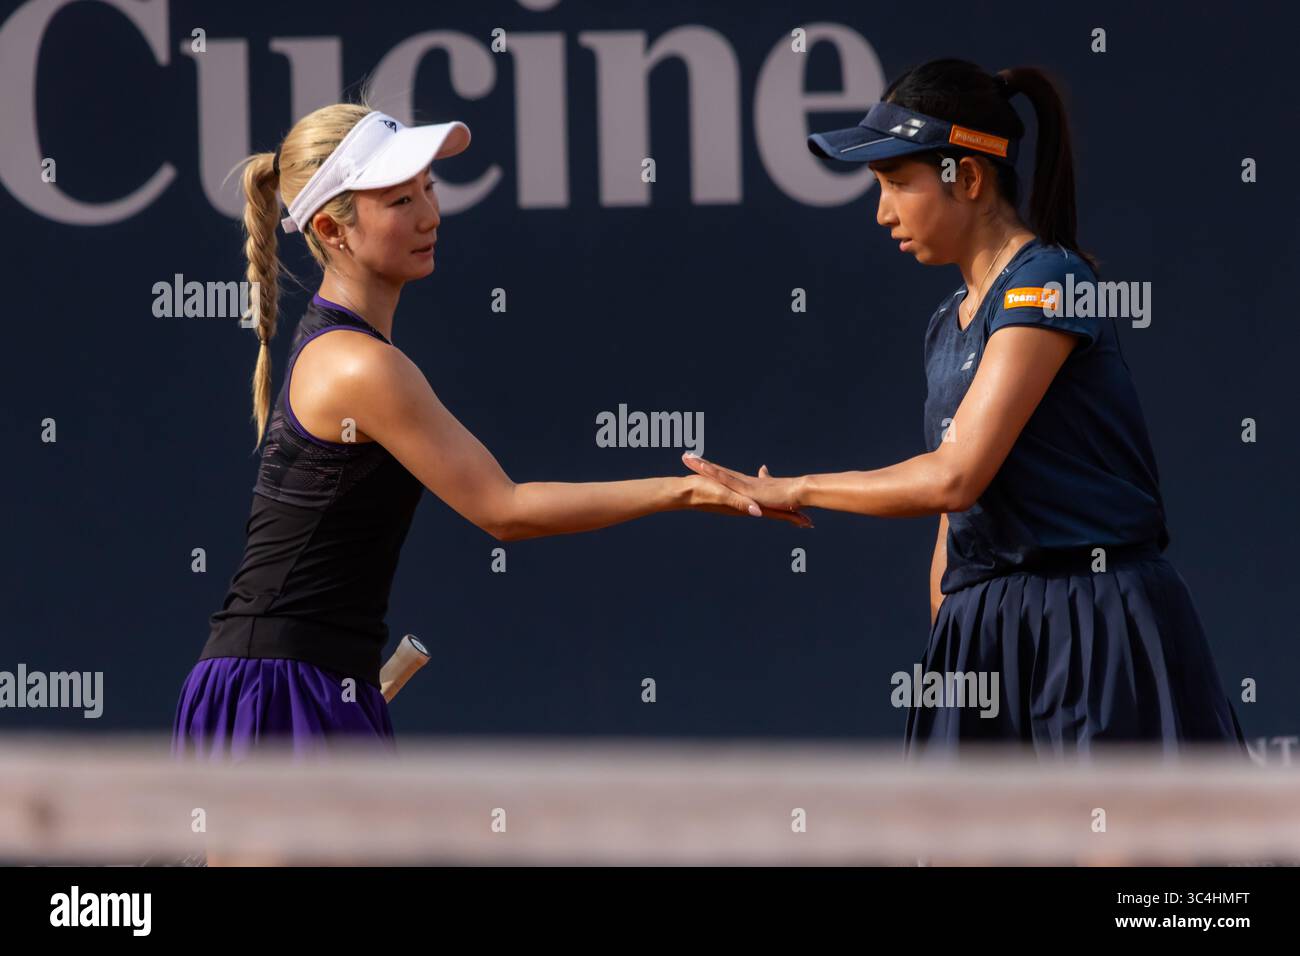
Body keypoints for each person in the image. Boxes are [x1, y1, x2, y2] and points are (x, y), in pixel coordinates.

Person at [172, 99, 811, 763]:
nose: (429, 215)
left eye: (429, 189)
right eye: (397, 201)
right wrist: (690, 492)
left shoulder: (347, 349)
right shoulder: (360, 365)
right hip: (278, 693)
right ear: (334, 229)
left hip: (310, 683)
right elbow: (504, 510)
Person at [683, 59, 1246, 757]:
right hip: (982, 631)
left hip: (1094, 623)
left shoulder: (1052, 283)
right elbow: (958, 522)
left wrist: (796, 487)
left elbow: (956, 476)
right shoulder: (948, 321)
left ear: (969, 179)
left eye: (895, 183)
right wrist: (950, 640)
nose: (882, 211)